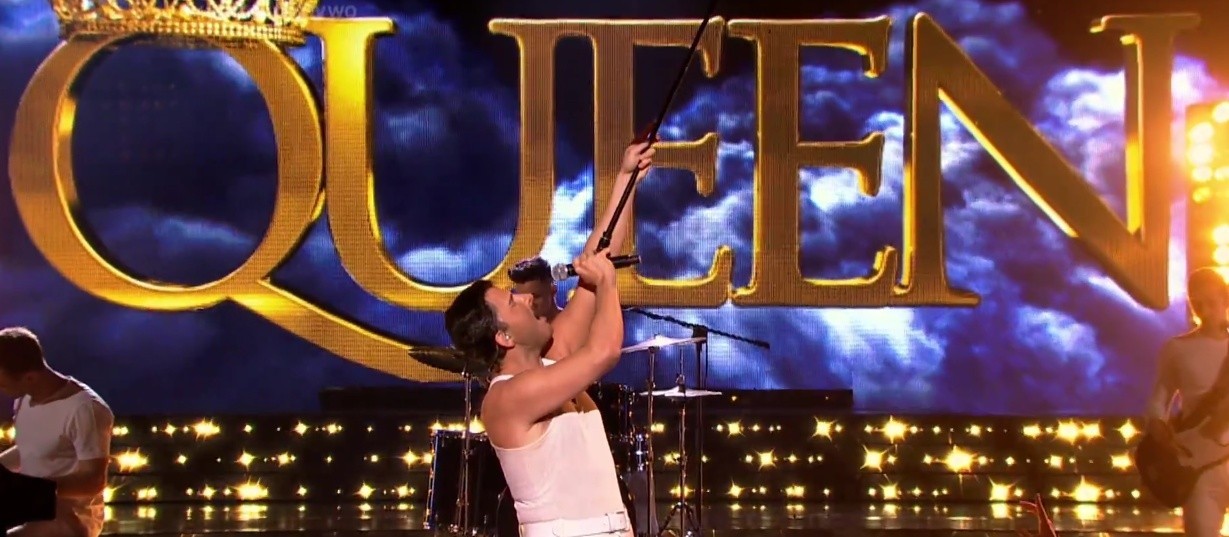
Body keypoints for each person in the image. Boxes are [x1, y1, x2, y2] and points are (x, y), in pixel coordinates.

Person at [444, 142, 652, 537]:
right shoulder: (507, 397)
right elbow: (604, 352)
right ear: (503, 336)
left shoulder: (553, 362)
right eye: (512, 302)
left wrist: (626, 181)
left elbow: (597, 259)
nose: (526, 299)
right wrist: (608, 285)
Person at [0, 327, 113, 537]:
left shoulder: (84, 409)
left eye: (3, 384)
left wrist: (28, 489)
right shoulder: (24, 399)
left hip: (69, 521)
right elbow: (32, 448)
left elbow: (93, 480)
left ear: (29, 377)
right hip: (32, 509)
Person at [1144, 268, 1229, 537]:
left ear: (1226, 299)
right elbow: (1159, 399)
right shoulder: (1178, 349)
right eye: (1197, 304)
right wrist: (1157, 426)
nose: (1204, 311)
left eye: (1211, 303)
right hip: (1200, 464)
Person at [508, 257, 562, 324]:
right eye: (523, 299)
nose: (529, 304)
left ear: (553, 289)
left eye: (535, 296)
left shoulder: (572, 325)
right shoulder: (515, 328)